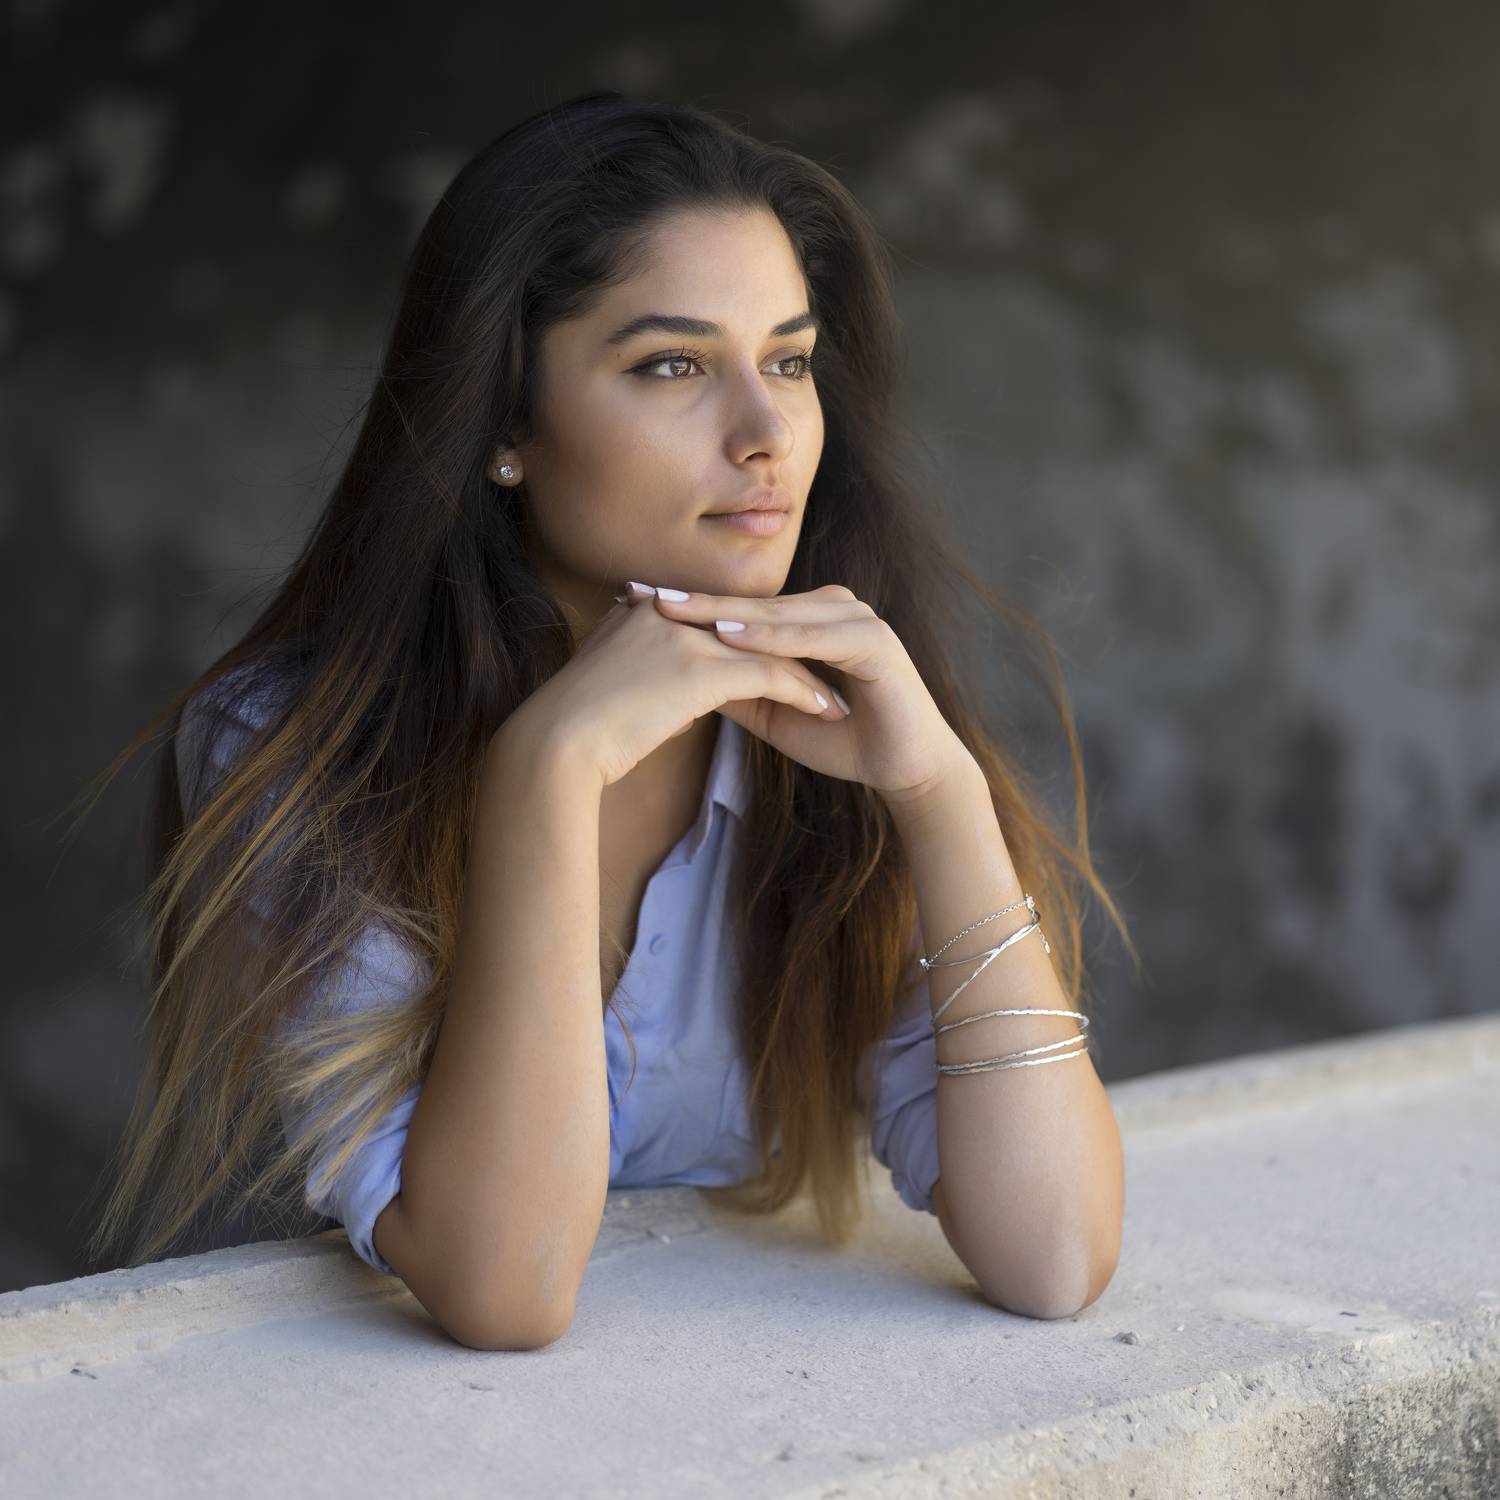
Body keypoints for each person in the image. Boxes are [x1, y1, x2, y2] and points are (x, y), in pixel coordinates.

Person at [84, 91, 1137, 1348]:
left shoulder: (839, 738)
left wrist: (940, 798)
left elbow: (1056, 1252)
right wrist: (546, 768)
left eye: (790, 361)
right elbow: (503, 1288)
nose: (766, 438)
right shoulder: (296, 749)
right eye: (672, 366)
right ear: (505, 426)